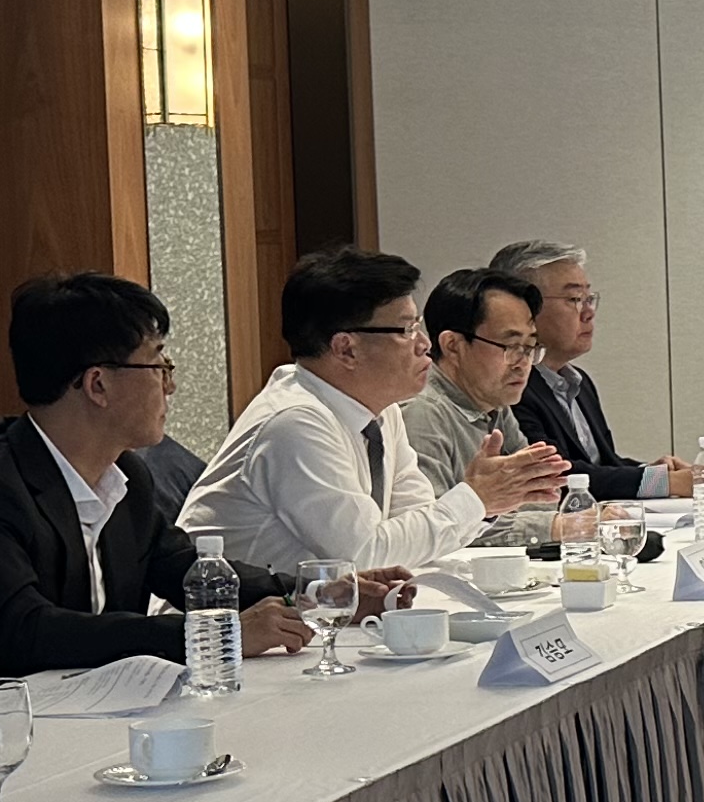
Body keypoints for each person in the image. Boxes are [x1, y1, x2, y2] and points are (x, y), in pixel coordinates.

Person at [0, 274, 315, 725]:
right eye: (159, 365)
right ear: (97, 385)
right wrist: (213, 635)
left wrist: (312, 592)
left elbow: (186, 569)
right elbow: (30, 632)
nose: (170, 385)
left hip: (59, 718)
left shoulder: (125, 476)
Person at [184, 247, 567, 577]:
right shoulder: (295, 423)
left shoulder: (382, 413)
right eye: (405, 330)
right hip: (219, 624)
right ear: (346, 348)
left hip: (313, 612)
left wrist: (482, 504)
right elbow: (364, 554)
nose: (423, 344)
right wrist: (477, 499)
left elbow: (416, 531)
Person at [494, 240, 691, 500]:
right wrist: (665, 482)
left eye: (589, 299)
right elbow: (556, 476)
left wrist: (651, 471)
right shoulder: (513, 386)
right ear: (524, 307)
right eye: (575, 299)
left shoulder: (578, 381)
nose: (588, 313)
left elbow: (602, 465)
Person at [402, 267, 561, 533]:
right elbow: (432, 528)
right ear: (453, 345)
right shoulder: (421, 413)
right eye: (510, 346)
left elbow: (541, 498)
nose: (523, 363)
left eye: (529, 347)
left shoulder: (495, 404)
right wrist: (555, 527)